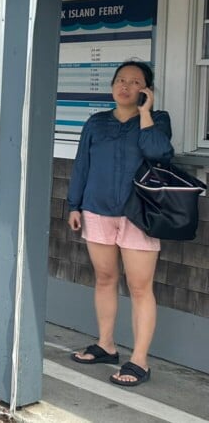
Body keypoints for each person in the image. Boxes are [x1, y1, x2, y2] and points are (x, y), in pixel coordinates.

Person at [67, 60, 173, 388]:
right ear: (112, 85)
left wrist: (145, 113)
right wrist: (74, 204)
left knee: (140, 288)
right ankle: (106, 345)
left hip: (139, 215)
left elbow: (159, 154)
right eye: (120, 80)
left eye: (135, 81)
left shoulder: (158, 121)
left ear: (146, 89)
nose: (125, 86)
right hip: (97, 210)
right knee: (104, 279)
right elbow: (82, 164)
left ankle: (139, 359)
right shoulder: (96, 123)